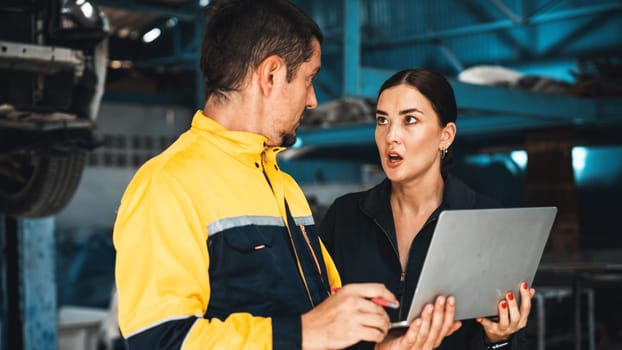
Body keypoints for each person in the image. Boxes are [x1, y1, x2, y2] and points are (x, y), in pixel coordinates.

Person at [113, 2, 460, 349]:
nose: (312, 100)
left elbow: (323, 325)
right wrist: (305, 331)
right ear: (271, 75)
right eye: (309, 79)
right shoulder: (167, 186)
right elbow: (161, 341)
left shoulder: (285, 188)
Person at [319, 68, 536, 350]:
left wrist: (499, 338)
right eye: (382, 120)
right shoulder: (344, 217)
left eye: (409, 120)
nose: (390, 136)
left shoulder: (484, 219)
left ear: (445, 136)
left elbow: (514, 343)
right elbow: (318, 324)